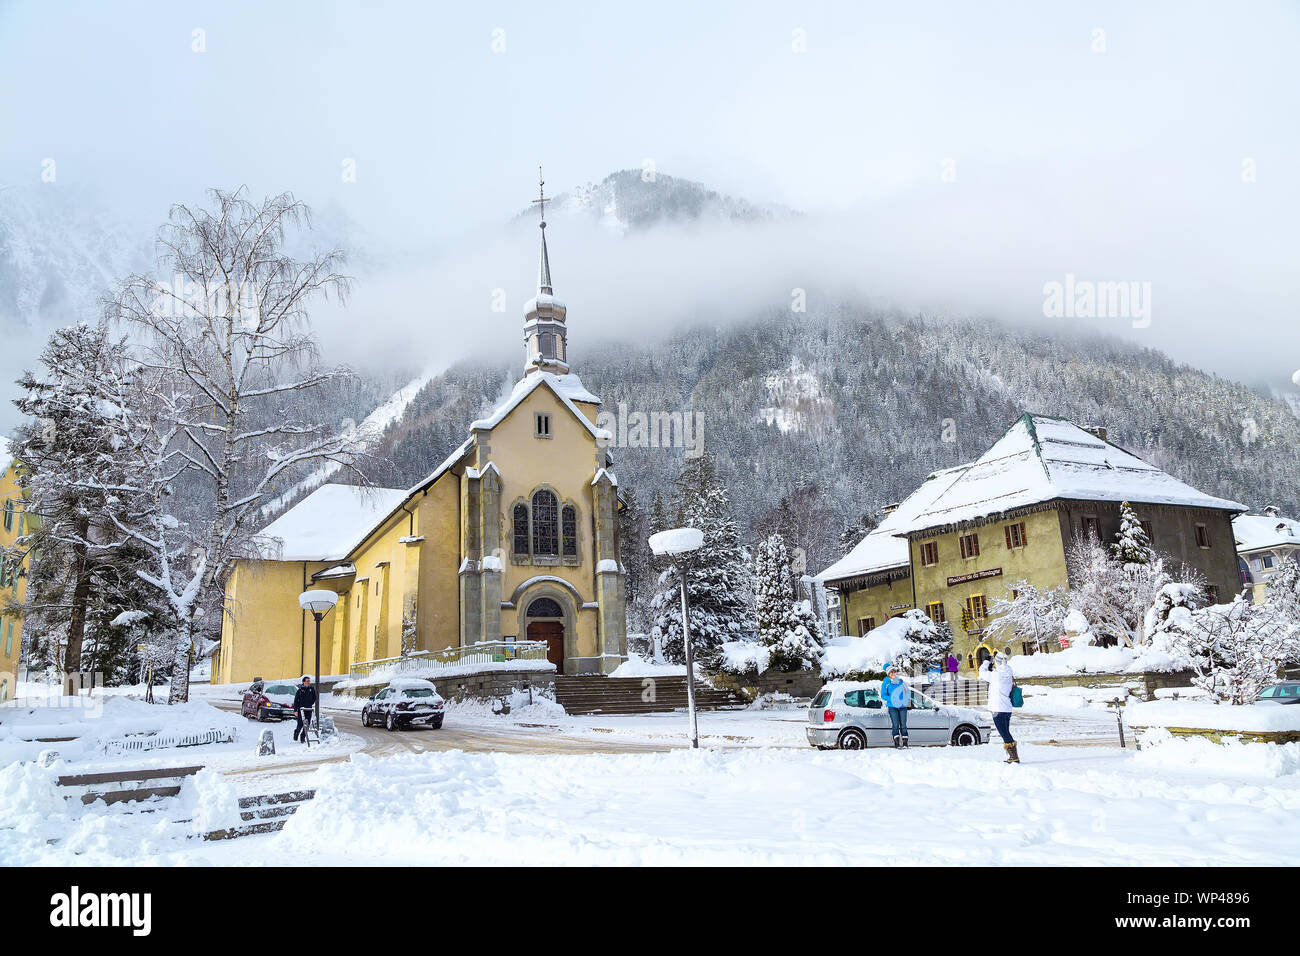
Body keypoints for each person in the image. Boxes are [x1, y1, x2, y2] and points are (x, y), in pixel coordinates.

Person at [979, 651, 1018, 763]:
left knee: (1004, 734)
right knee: (1006, 732)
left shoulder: (996, 675)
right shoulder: (1008, 673)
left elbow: (982, 672)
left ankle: (1014, 756)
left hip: (998, 708)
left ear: (997, 662)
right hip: (1006, 708)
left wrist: (986, 661)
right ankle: (1012, 756)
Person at [880, 663, 911, 748]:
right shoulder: (886, 682)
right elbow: (883, 695)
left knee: (903, 725)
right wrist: (892, 698)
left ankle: (905, 743)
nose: (893, 674)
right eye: (891, 672)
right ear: (888, 674)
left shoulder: (901, 681)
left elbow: (907, 692)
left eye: (894, 672)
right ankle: (897, 743)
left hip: (902, 707)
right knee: (896, 724)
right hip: (892, 707)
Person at [292, 674, 317, 743]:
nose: (308, 682)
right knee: (300, 724)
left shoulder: (311, 689)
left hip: (309, 709)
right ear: (303, 682)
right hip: (301, 710)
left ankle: (303, 737)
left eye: (309, 681)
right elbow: (296, 701)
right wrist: (295, 710)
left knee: (307, 724)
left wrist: (310, 704)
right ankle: (296, 732)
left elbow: (314, 698)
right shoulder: (300, 691)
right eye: (307, 681)